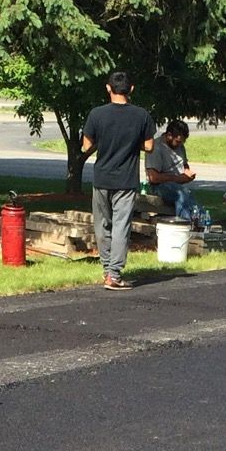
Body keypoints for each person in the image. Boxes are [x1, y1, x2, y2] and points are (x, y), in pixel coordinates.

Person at [80, 71, 155, 289]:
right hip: (126, 179)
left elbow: (86, 145)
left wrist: (102, 142)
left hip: (102, 177)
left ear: (108, 88)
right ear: (131, 89)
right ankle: (114, 274)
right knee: (121, 226)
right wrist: (133, 143)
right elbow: (149, 146)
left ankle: (106, 270)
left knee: (102, 225)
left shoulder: (97, 114)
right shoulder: (142, 116)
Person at [146, 119, 198, 222]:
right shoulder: (156, 147)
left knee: (189, 197)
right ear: (169, 135)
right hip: (160, 186)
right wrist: (179, 178)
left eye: (182, 142)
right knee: (181, 194)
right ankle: (186, 224)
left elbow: (184, 165)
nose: (180, 144)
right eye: (178, 141)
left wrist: (188, 172)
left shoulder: (180, 147)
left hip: (178, 185)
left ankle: (200, 221)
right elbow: (153, 178)